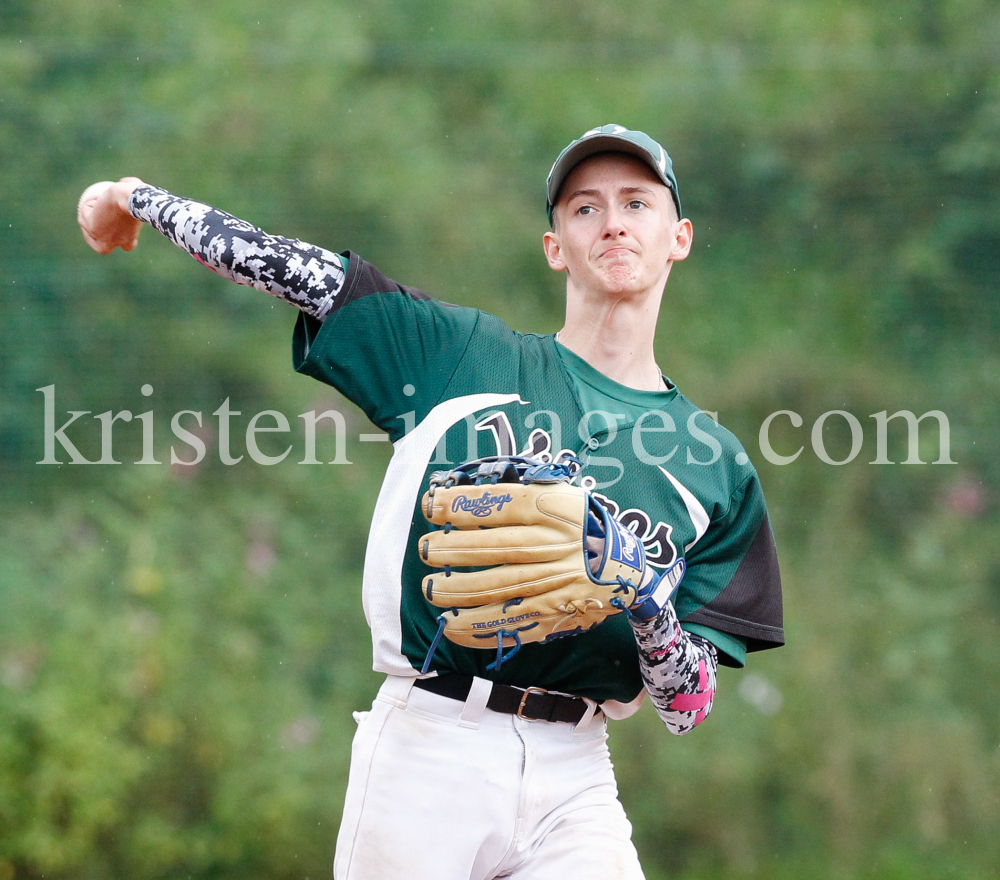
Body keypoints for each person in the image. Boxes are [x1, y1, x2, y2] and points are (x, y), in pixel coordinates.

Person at [78, 124, 784, 880]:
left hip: (576, 777)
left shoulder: (715, 466)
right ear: (555, 247)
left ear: (677, 237)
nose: (612, 221)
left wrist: (646, 600)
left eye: (636, 203)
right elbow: (292, 268)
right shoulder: (458, 356)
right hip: (431, 749)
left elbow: (686, 709)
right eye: (584, 208)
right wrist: (132, 198)